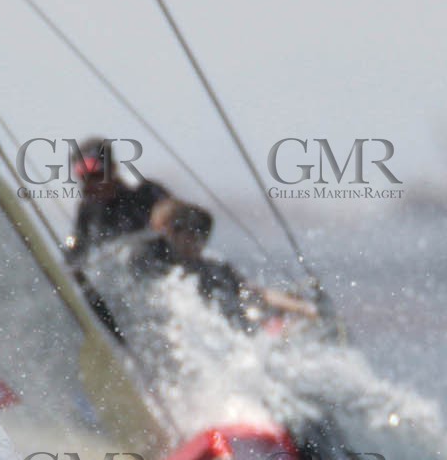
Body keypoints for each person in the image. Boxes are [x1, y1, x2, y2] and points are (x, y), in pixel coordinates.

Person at [142, 199, 317, 330]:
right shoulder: (147, 263)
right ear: (162, 228)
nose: (197, 240)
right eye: (187, 231)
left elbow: (257, 293)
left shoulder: (214, 270)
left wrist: (302, 307)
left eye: (203, 234)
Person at [63, 137, 174, 265]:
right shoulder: (87, 212)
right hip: (116, 280)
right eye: (84, 178)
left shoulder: (145, 194)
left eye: (96, 176)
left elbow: (182, 221)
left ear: (112, 169)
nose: (90, 184)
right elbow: (77, 252)